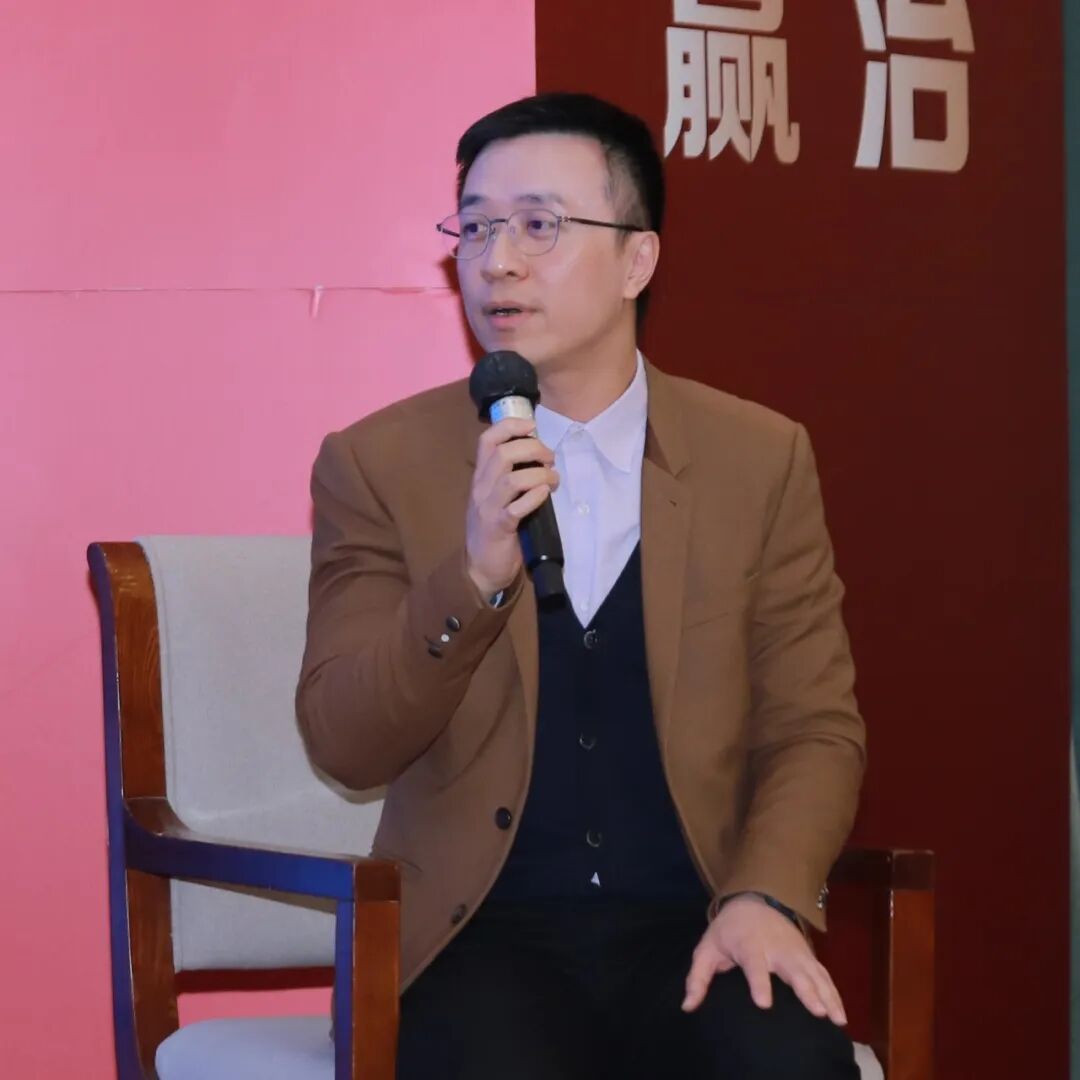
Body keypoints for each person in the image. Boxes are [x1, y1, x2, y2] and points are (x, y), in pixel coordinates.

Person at [297, 92, 865, 1079]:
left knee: (791, 1064)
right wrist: (474, 573)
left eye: (539, 226)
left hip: (694, 924)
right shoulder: (378, 463)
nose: (497, 262)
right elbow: (344, 740)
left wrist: (764, 895)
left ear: (637, 260)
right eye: (476, 228)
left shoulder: (758, 458)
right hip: (477, 938)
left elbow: (814, 728)